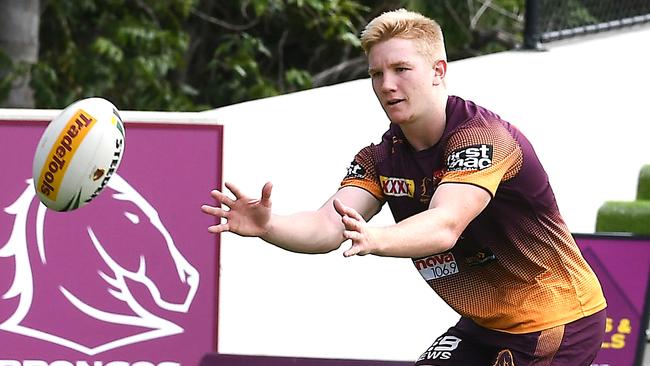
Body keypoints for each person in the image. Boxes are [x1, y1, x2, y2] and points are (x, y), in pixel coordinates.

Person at [200, 8, 607, 366]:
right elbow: (329, 224)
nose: (386, 84)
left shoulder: (482, 138)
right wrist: (270, 227)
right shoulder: (381, 157)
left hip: (557, 316)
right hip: (486, 323)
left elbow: (445, 224)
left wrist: (376, 237)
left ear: (438, 71)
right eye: (376, 73)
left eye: (400, 69)